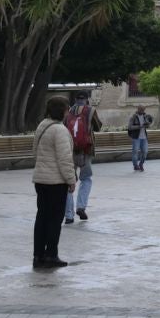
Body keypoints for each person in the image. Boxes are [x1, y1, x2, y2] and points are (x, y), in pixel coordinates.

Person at [31, 95, 77, 270]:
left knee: (41, 217)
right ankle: (51, 254)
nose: (68, 112)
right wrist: (71, 180)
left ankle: (38, 255)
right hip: (56, 182)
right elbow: (65, 159)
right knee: (54, 219)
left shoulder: (42, 126)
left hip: (41, 180)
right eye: (67, 109)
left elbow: (35, 152)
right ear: (62, 111)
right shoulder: (60, 130)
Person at [63, 96, 103, 225]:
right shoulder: (90, 111)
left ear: (75, 99)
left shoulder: (68, 111)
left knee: (69, 182)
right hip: (86, 150)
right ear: (87, 99)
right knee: (86, 179)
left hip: (70, 151)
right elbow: (98, 127)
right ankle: (81, 206)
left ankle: (69, 215)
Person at [127, 105, 153, 171]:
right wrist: (140, 126)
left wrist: (147, 124)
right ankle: (135, 165)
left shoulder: (145, 116)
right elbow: (130, 127)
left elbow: (148, 126)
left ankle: (141, 164)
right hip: (136, 137)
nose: (142, 111)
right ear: (138, 109)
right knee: (135, 152)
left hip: (144, 138)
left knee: (145, 152)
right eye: (141, 109)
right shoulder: (133, 117)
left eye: (143, 110)